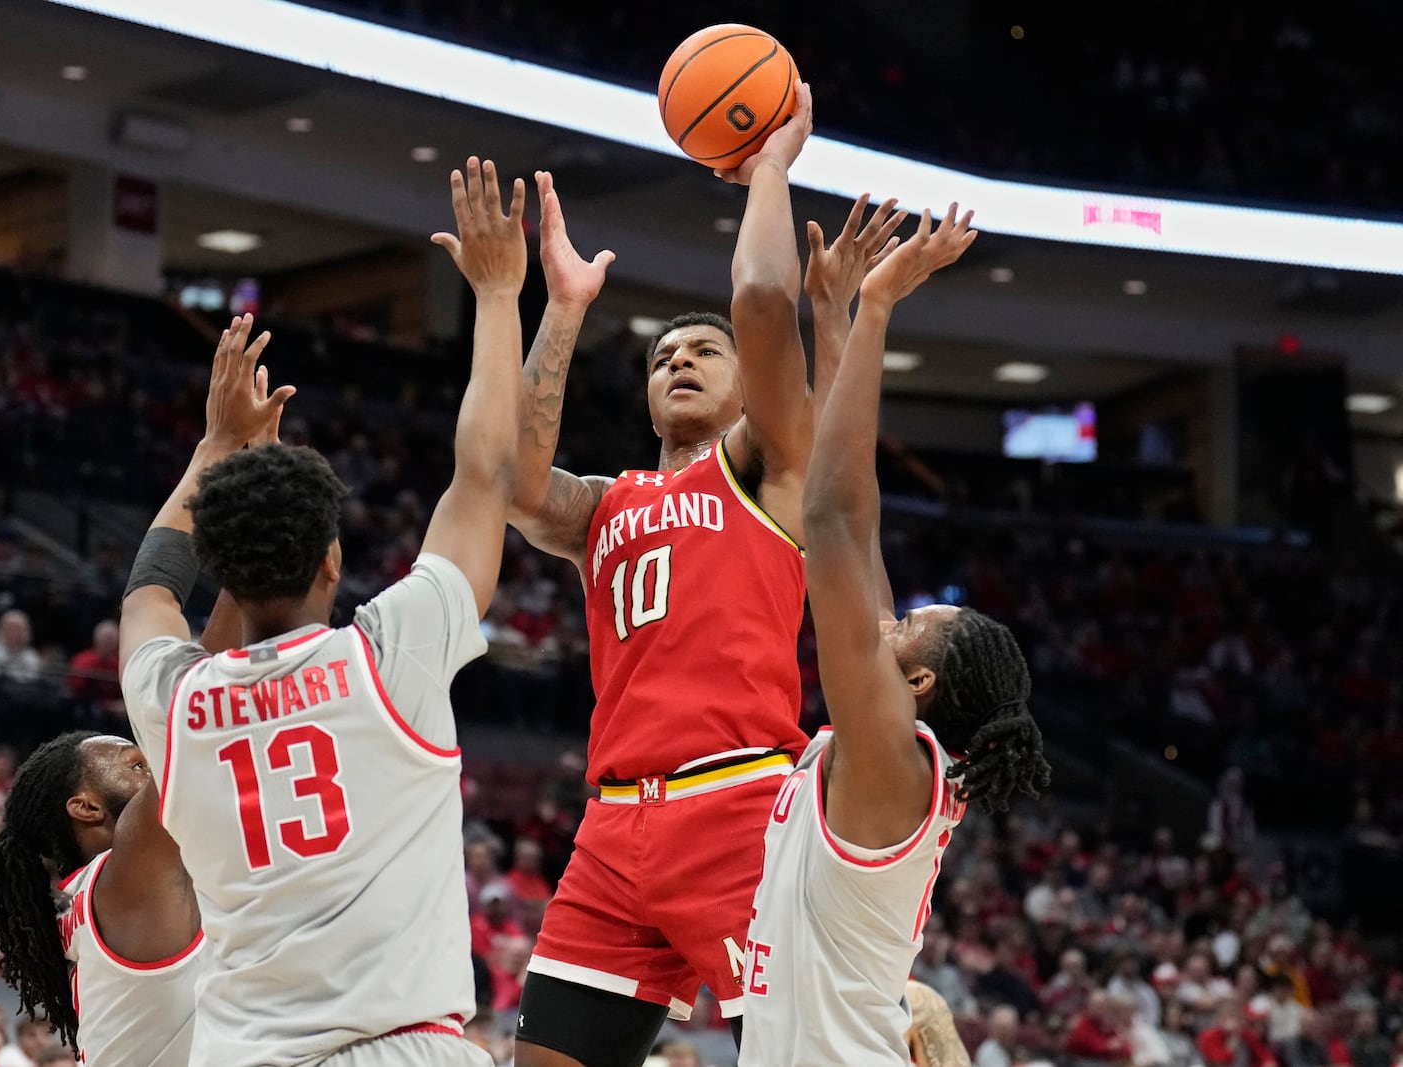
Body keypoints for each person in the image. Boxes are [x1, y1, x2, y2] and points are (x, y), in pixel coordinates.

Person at [510, 82, 905, 1067]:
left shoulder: (767, 468)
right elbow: (509, 481)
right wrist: (560, 310)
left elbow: (764, 302)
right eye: (661, 356)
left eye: (702, 351)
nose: (679, 360)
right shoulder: (605, 501)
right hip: (610, 825)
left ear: (744, 382)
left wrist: (768, 166)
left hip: (735, 808)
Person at [117, 156, 526, 1067]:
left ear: (220, 565)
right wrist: (498, 297)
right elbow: (484, 473)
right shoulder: (389, 657)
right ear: (333, 561)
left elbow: (149, 588)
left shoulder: (175, 702)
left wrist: (214, 448)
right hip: (400, 1046)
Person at [737, 206, 1051, 1066]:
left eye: (911, 625)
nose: (890, 620)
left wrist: (876, 307)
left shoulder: (889, 758)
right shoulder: (901, 763)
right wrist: (835, 320)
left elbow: (835, 520)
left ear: (920, 686)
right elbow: (861, 539)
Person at [0, 730, 206, 1065]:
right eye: (136, 766)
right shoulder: (130, 876)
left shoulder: (88, 897)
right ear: (87, 807)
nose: (152, 770)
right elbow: (188, 759)